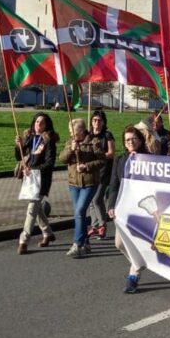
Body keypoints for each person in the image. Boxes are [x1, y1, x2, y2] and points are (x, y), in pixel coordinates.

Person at [107, 126, 148, 293]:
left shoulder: (149, 159)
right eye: (127, 140)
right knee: (119, 243)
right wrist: (110, 205)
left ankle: (134, 275)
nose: (130, 142)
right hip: (123, 207)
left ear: (140, 140)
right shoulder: (119, 160)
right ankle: (139, 263)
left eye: (133, 139)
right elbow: (113, 185)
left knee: (137, 241)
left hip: (142, 208)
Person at [59, 118, 106, 258]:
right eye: (70, 132)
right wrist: (70, 150)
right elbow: (62, 159)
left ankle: (77, 244)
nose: (71, 134)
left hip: (90, 183)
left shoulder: (93, 142)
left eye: (73, 132)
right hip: (74, 183)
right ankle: (86, 243)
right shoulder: (70, 142)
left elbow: (102, 160)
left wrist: (86, 166)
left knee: (79, 211)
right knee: (79, 213)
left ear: (82, 130)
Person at [14, 113, 60, 254]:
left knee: (32, 209)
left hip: (41, 180)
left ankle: (24, 240)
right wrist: (19, 146)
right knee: (37, 208)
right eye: (36, 121)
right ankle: (48, 233)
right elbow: (19, 157)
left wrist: (33, 169)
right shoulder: (30, 138)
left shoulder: (48, 141)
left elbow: (49, 163)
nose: (38, 124)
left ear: (47, 125)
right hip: (29, 179)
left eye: (42, 123)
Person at [86, 110, 115, 241]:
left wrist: (99, 155)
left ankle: (103, 225)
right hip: (91, 170)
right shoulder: (89, 135)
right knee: (91, 200)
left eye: (99, 121)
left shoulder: (107, 135)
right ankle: (95, 225)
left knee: (97, 198)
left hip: (104, 171)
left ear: (103, 123)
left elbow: (111, 153)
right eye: (94, 120)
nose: (96, 123)